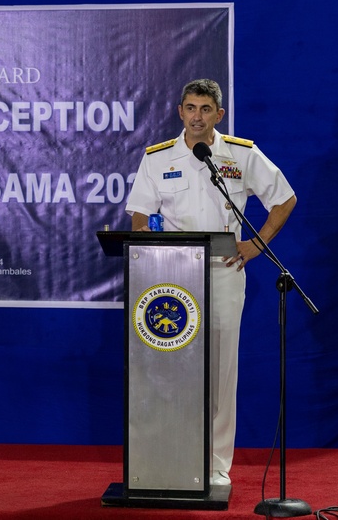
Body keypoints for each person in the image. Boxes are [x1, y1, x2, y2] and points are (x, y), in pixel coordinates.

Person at [125, 78, 296, 487]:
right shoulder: (157, 158)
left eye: (205, 109)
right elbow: (139, 215)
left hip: (222, 275)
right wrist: (148, 252)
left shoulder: (240, 153)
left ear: (219, 115)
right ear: (179, 112)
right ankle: (168, 455)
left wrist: (256, 244)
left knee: (219, 370)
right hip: (170, 280)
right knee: (166, 368)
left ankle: (216, 465)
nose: (196, 116)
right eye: (189, 108)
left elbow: (284, 198)